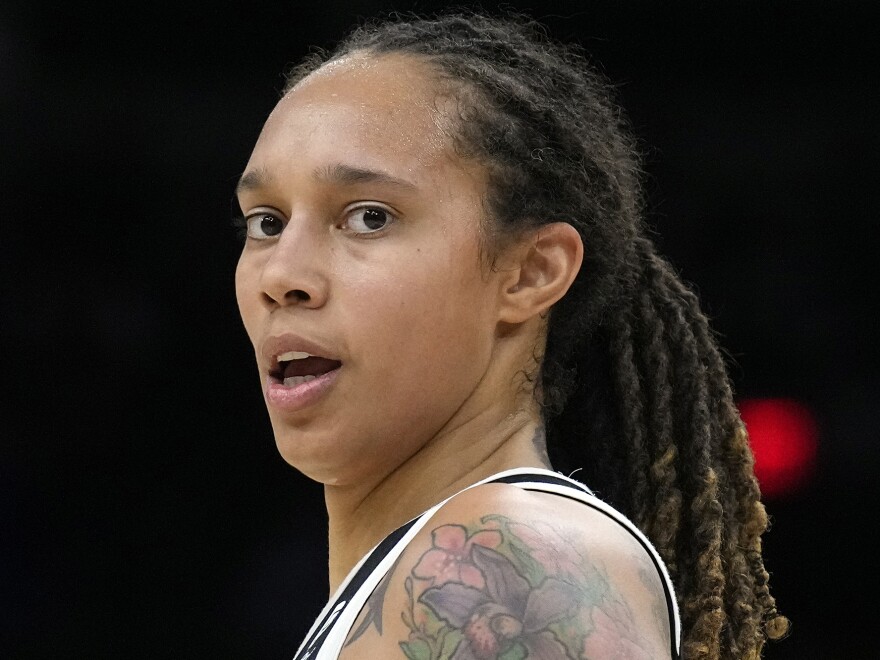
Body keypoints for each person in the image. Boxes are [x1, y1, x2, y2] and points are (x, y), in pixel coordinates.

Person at [233, 12, 787, 660]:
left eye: (369, 217)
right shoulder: (416, 571)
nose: (281, 274)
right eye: (266, 222)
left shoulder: (515, 557)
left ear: (529, 273)